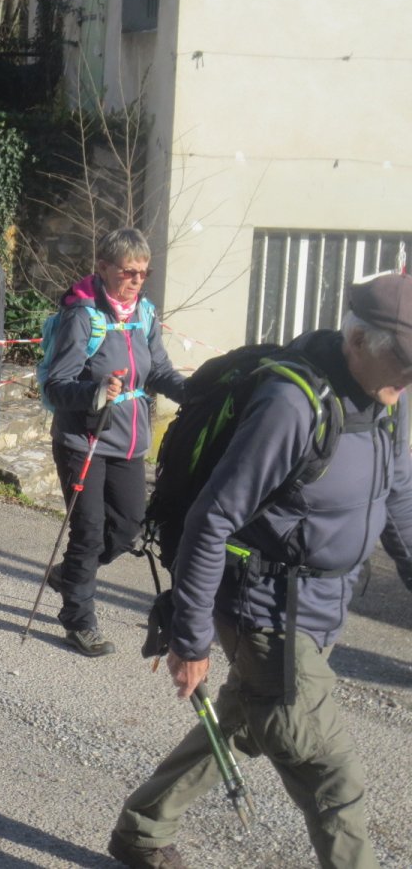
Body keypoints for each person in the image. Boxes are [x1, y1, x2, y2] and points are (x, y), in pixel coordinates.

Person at [109, 272, 412, 869]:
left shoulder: (387, 400)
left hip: (323, 607)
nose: (409, 377)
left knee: (251, 719)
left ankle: (141, 829)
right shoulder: (292, 405)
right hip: (267, 611)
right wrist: (191, 638)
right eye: (402, 361)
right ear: (357, 341)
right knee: (329, 774)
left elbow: (397, 495)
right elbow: (211, 519)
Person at [42, 228, 186, 656]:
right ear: (103, 267)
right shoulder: (82, 317)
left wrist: (196, 394)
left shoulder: (144, 315)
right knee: (88, 531)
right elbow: (56, 385)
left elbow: (159, 370)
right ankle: (78, 620)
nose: (137, 280)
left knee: (126, 530)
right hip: (83, 439)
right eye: (128, 272)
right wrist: (96, 391)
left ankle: (71, 574)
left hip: (129, 442)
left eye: (144, 273)